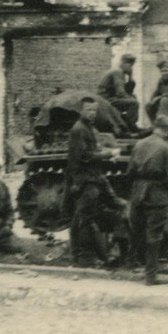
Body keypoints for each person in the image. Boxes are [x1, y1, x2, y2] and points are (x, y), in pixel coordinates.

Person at [66, 97, 121, 267]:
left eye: (94, 111)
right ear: (81, 110)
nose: (92, 113)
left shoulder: (88, 128)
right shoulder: (79, 129)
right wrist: (108, 155)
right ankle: (87, 258)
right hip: (86, 180)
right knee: (86, 219)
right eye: (89, 110)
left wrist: (104, 153)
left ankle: (79, 255)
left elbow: (92, 151)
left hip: (91, 178)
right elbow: (85, 156)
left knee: (80, 219)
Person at [127, 113, 168, 285]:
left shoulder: (139, 144)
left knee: (137, 229)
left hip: (138, 190)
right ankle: (151, 276)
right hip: (156, 193)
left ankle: (132, 265)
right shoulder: (167, 148)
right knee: (154, 234)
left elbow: (130, 171)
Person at [97, 53, 140, 132]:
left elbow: (128, 92)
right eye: (129, 65)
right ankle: (130, 126)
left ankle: (127, 123)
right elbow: (120, 93)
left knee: (133, 98)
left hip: (108, 98)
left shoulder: (119, 72)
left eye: (131, 65)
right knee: (134, 103)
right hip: (105, 100)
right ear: (124, 63)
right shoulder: (117, 72)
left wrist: (130, 77)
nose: (130, 67)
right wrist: (131, 98)